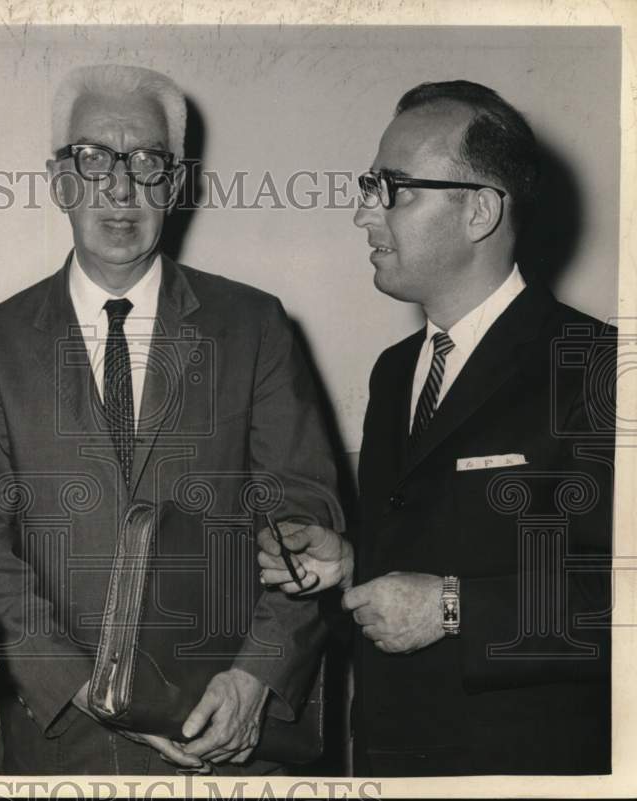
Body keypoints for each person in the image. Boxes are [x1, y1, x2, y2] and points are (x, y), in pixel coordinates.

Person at [0, 64, 344, 775]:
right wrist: (92, 692)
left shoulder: (254, 327)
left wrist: (255, 676)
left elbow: (303, 525)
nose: (121, 188)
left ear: (178, 181)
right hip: (60, 744)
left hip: (230, 739)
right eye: (93, 159)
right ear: (60, 179)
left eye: (148, 161)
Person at [259, 80, 614, 776]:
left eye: (393, 188)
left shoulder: (598, 367)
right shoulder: (397, 372)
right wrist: (350, 565)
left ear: (480, 210)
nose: (365, 212)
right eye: (369, 185)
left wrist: (455, 608)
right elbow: (435, 546)